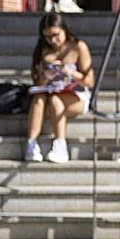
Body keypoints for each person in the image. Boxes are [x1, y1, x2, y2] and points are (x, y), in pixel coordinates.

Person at [24, 12, 93, 163]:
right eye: (48, 37)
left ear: (65, 30)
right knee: (38, 99)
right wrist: (46, 75)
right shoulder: (43, 49)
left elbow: (89, 81)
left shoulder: (78, 47)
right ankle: (31, 144)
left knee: (56, 100)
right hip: (50, 92)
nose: (53, 41)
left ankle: (60, 146)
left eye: (56, 35)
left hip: (75, 95)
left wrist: (71, 73)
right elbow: (37, 82)